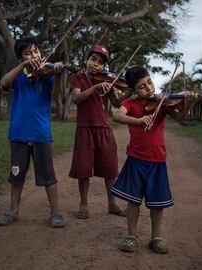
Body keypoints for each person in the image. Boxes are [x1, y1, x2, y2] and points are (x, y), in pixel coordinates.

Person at [111, 66, 197, 254]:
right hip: (135, 159)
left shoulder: (163, 104)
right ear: (134, 90)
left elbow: (180, 117)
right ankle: (131, 235)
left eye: (149, 82)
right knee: (133, 201)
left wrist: (188, 103)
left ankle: (156, 237)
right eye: (142, 86)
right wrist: (138, 120)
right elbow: (117, 115)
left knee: (157, 203)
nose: (148, 88)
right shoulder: (132, 104)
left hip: (157, 161)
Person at [0, 37, 66, 227]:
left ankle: (55, 212)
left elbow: (57, 96)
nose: (33, 55)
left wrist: (57, 75)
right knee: (16, 176)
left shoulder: (48, 74)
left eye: (35, 51)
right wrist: (23, 65)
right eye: (27, 53)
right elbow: (3, 83)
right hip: (18, 132)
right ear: (20, 58)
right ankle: (13, 211)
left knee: (48, 176)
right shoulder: (18, 75)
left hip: (41, 133)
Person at [69, 44, 132, 219]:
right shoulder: (78, 78)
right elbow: (76, 98)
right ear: (86, 60)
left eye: (100, 62)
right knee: (83, 168)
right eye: (93, 59)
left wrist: (130, 92)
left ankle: (112, 204)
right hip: (84, 128)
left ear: (104, 67)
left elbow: (118, 103)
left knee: (109, 168)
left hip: (103, 128)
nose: (96, 64)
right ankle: (83, 204)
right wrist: (95, 88)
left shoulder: (107, 81)